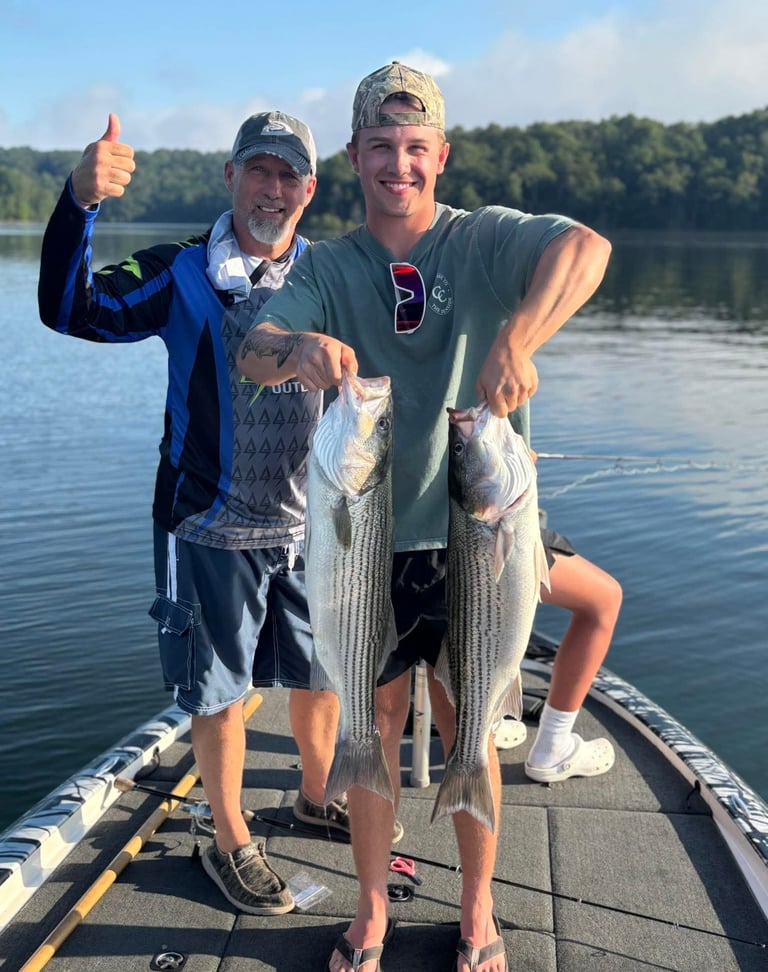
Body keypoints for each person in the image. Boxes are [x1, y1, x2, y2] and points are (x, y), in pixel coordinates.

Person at [236, 61, 612, 972]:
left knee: (468, 727)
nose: (397, 164)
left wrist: (519, 337)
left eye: (414, 148)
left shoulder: (481, 241)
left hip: (475, 543)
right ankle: (370, 911)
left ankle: (477, 912)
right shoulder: (326, 265)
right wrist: (300, 350)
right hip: (369, 543)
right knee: (371, 719)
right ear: (356, 157)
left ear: (439, 155)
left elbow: (588, 250)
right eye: (379, 148)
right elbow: (254, 348)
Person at [37, 109, 345, 917]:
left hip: (314, 525)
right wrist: (78, 202)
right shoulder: (181, 271)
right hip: (207, 523)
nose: (271, 190)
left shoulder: (334, 277)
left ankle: (316, 796)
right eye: (258, 171)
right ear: (231, 177)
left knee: (324, 672)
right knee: (217, 692)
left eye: (288, 176)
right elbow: (72, 310)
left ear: (309, 190)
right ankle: (232, 836)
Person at [493, 507, 623, 780]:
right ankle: (553, 746)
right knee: (605, 600)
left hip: (407, 542)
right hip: (485, 535)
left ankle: (488, 721)